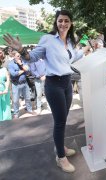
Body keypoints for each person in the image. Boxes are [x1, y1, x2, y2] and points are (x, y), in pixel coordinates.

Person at [3, 10, 90, 173]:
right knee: (59, 122)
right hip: (54, 85)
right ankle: (61, 158)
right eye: (60, 21)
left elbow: (71, 59)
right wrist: (22, 51)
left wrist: (85, 50)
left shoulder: (70, 41)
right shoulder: (48, 39)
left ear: (70, 24)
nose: (63, 24)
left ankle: (61, 147)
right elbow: (33, 57)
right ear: (56, 23)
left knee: (63, 119)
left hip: (67, 83)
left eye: (66, 21)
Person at [8, 51, 34, 119]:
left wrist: (21, 65)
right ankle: (16, 113)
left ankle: (29, 110)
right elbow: (13, 74)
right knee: (16, 100)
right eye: (18, 56)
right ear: (14, 57)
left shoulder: (23, 62)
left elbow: (28, 71)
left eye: (20, 55)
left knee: (28, 98)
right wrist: (23, 70)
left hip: (25, 83)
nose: (19, 57)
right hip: (16, 84)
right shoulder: (10, 64)